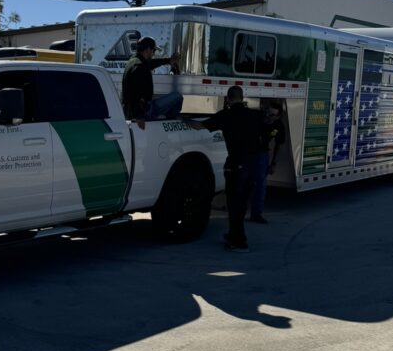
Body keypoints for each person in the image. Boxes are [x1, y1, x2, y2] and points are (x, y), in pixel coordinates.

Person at [197, 85, 263, 252]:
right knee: (241, 204)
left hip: (236, 165)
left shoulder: (226, 115)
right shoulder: (255, 115)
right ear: (242, 97)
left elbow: (199, 126)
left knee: (234, 203)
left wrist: (180, 119)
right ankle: (234, 235)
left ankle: (239, 241)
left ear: (228, 99)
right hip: (253, 166)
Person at [121, 37, 185, 127]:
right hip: (144, 112)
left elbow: (152, 63)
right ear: (148, 49)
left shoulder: (134, 61)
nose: (153, 54)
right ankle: (170, 122)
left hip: (133, 111)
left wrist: (168, 61)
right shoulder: (139, 67)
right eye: (153, 51)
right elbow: (135, 95)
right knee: (177, 97)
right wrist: (139, 118)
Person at [249, 101, 285, 224]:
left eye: (272, 115)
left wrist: (273, 163)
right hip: (247, 151)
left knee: (260, 185)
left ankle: (256, 214)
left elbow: (278, 145)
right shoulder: (256, 118)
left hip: (262, 154)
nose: (269, 117)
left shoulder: (278, 126)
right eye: (268, 114)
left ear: (278, 116)